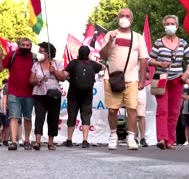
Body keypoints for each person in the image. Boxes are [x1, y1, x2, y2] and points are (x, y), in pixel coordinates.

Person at [99, 8, 148, 150]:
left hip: (132, 79)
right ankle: (113, 135)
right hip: (112, 79)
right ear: (117, 18)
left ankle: (131, 137)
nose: (124, 18)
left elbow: (143, 59)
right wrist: (110, 41)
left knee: (132, 109)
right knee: (113, 110)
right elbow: (103, 56)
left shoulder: (138, 37)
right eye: (122, 16)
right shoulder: (110, 34)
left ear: (131, 20)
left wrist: (142, 80)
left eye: (127, 16)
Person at [148, 15, 189, 150]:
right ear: (164, 26)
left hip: (178, 80)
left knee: (174, 112)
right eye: (167, 23)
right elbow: (149, 60)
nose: (170, 26)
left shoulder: (183, 43)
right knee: (162, 110)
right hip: (161, 79)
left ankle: (170, 140)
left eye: (172, 23)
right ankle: (162, 139)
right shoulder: (158, 42)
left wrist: (186, 73)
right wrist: (159, 63)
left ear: (177, 26)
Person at [0, 37, 36, 150]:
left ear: (31, 47)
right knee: (13, 117)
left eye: (28, 45)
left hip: (29, 93)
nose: (25, 47)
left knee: (27, 118)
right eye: (23, 44)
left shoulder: (34, 58)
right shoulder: (12, 55)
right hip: (13, 92)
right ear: (19, 45)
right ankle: (13, 142)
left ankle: (27, 140)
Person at [63, 46, 104, 148]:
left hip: (73, 94)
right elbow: (103, 67)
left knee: (71, 116)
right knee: (86, 116)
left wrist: (70, 79)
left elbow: (64, 75)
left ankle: (69, 140)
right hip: (87, 95)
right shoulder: (93, 65)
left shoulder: (73, 63)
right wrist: (92, 60)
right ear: (88, 54)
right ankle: (85, 140)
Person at [29, 42, 65, 150]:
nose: (39, 53)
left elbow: (62, 78)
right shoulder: (36, 65)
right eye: (39, 51)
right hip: (40, 94)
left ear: (48, 53)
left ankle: (50, 142)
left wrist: (54, 71)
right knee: (39, 117)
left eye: (42, 51)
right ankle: (37, 141)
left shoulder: (57, 63)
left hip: (54, 94)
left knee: (53, 117)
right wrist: (37, 81)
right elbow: (31, 80)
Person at [136, 66, 150, 147]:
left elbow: (148, 77)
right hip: (130, 88)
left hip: (141, 90)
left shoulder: (143, 63)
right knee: (132, 113)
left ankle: (142, 138)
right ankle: (133, 137)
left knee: (141, 115)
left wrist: (141, 70)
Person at [181, 81, 189, 146]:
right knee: (186, 127)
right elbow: (183, 99)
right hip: (184, 111)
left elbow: (188, 97)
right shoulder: (183, 89)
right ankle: (187, 140)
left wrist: (183, 95)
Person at [0, 79, 9, 146]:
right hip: (0, 111)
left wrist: (4, 108)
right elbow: (2, 99)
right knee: (0, 126)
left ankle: (6, 139)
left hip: (6, 109)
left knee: (6, 125)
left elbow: (5, 99)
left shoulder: (8, 89)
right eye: (4, 83)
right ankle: (0, 138)